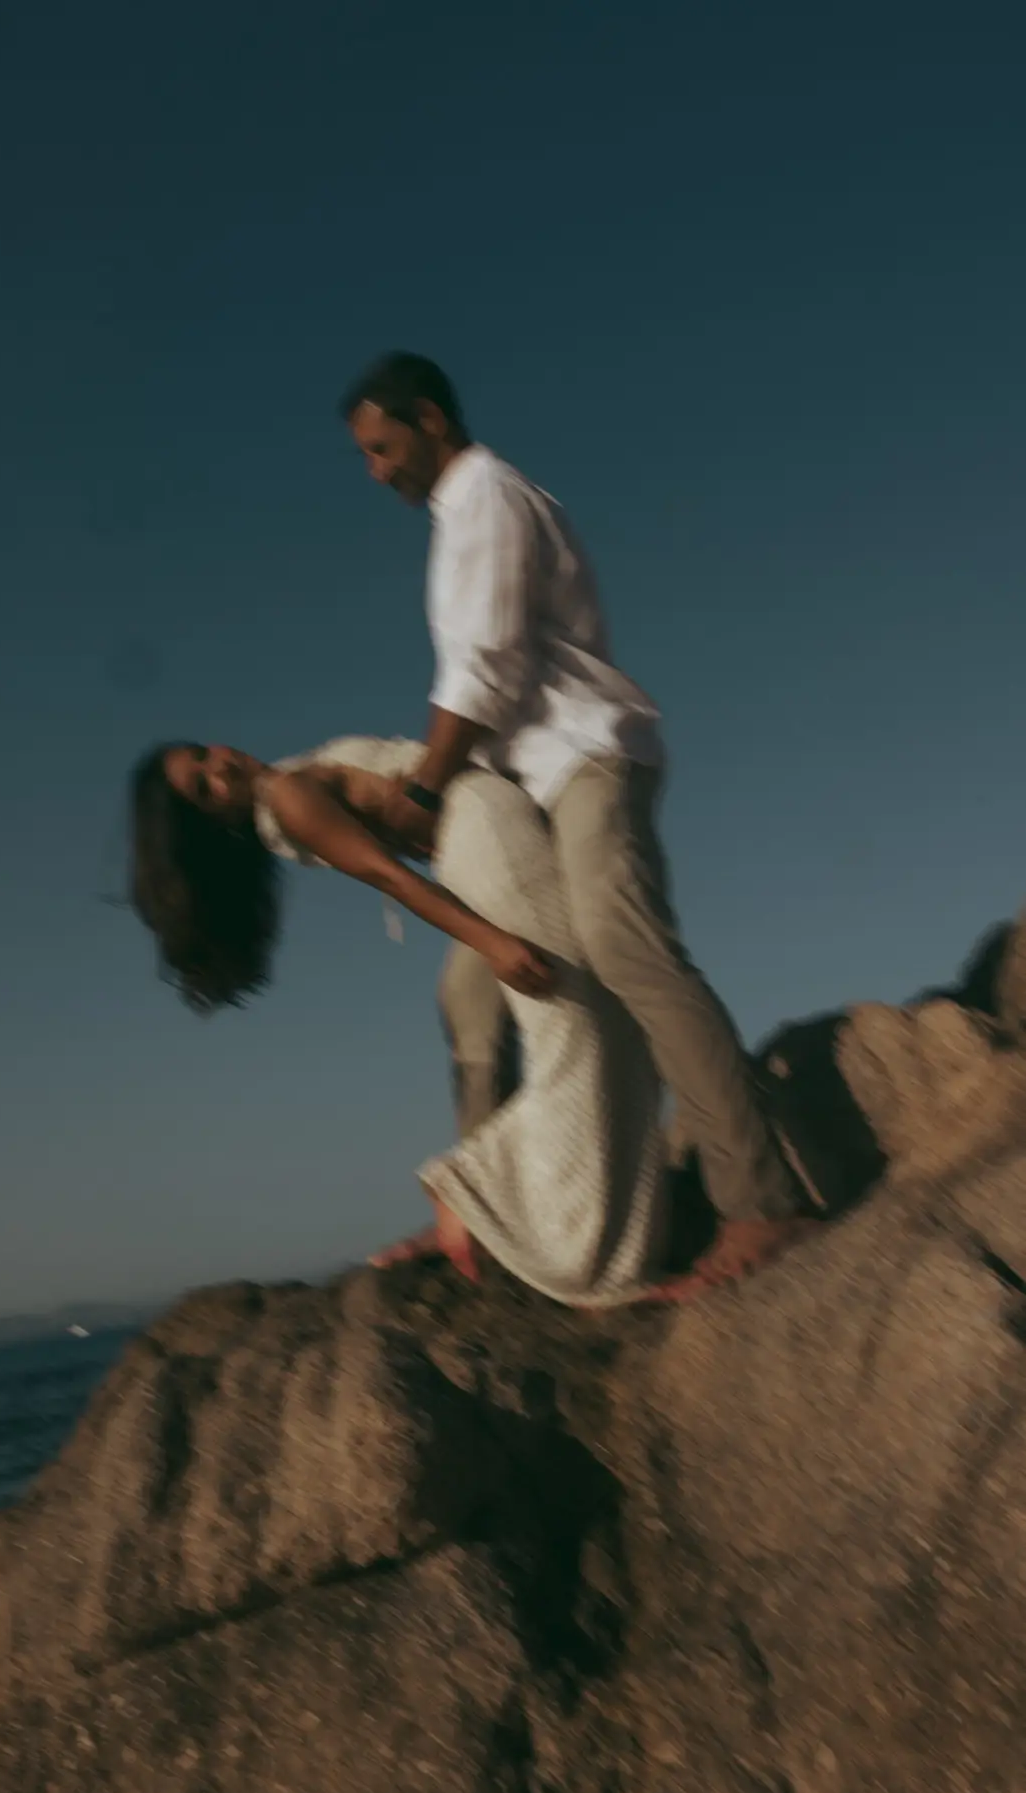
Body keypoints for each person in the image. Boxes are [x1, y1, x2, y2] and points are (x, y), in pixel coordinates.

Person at [339, 350, 816, 1296]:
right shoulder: (458, 516)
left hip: (588, 763)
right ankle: (504, 1210)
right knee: (477, 993)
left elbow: (483, 664)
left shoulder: (486, 497)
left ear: (431, 421)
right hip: (538, 786)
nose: (375, 471)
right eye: (366, 457)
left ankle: (763, 1203)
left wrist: (425, 787)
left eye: (383, 446)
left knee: (626, 953)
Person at [127, 734, 666, 1309]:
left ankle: (601, 1221)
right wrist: (491, 943)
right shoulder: (285, 795)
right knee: (579, 1029)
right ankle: (476, 1189)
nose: (222, 768)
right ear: (217, 822)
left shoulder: (286, 780)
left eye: (205, 756)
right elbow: (389, 876)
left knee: (601, 1025)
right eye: (204, 788)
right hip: (488, 839)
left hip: (486, 829)